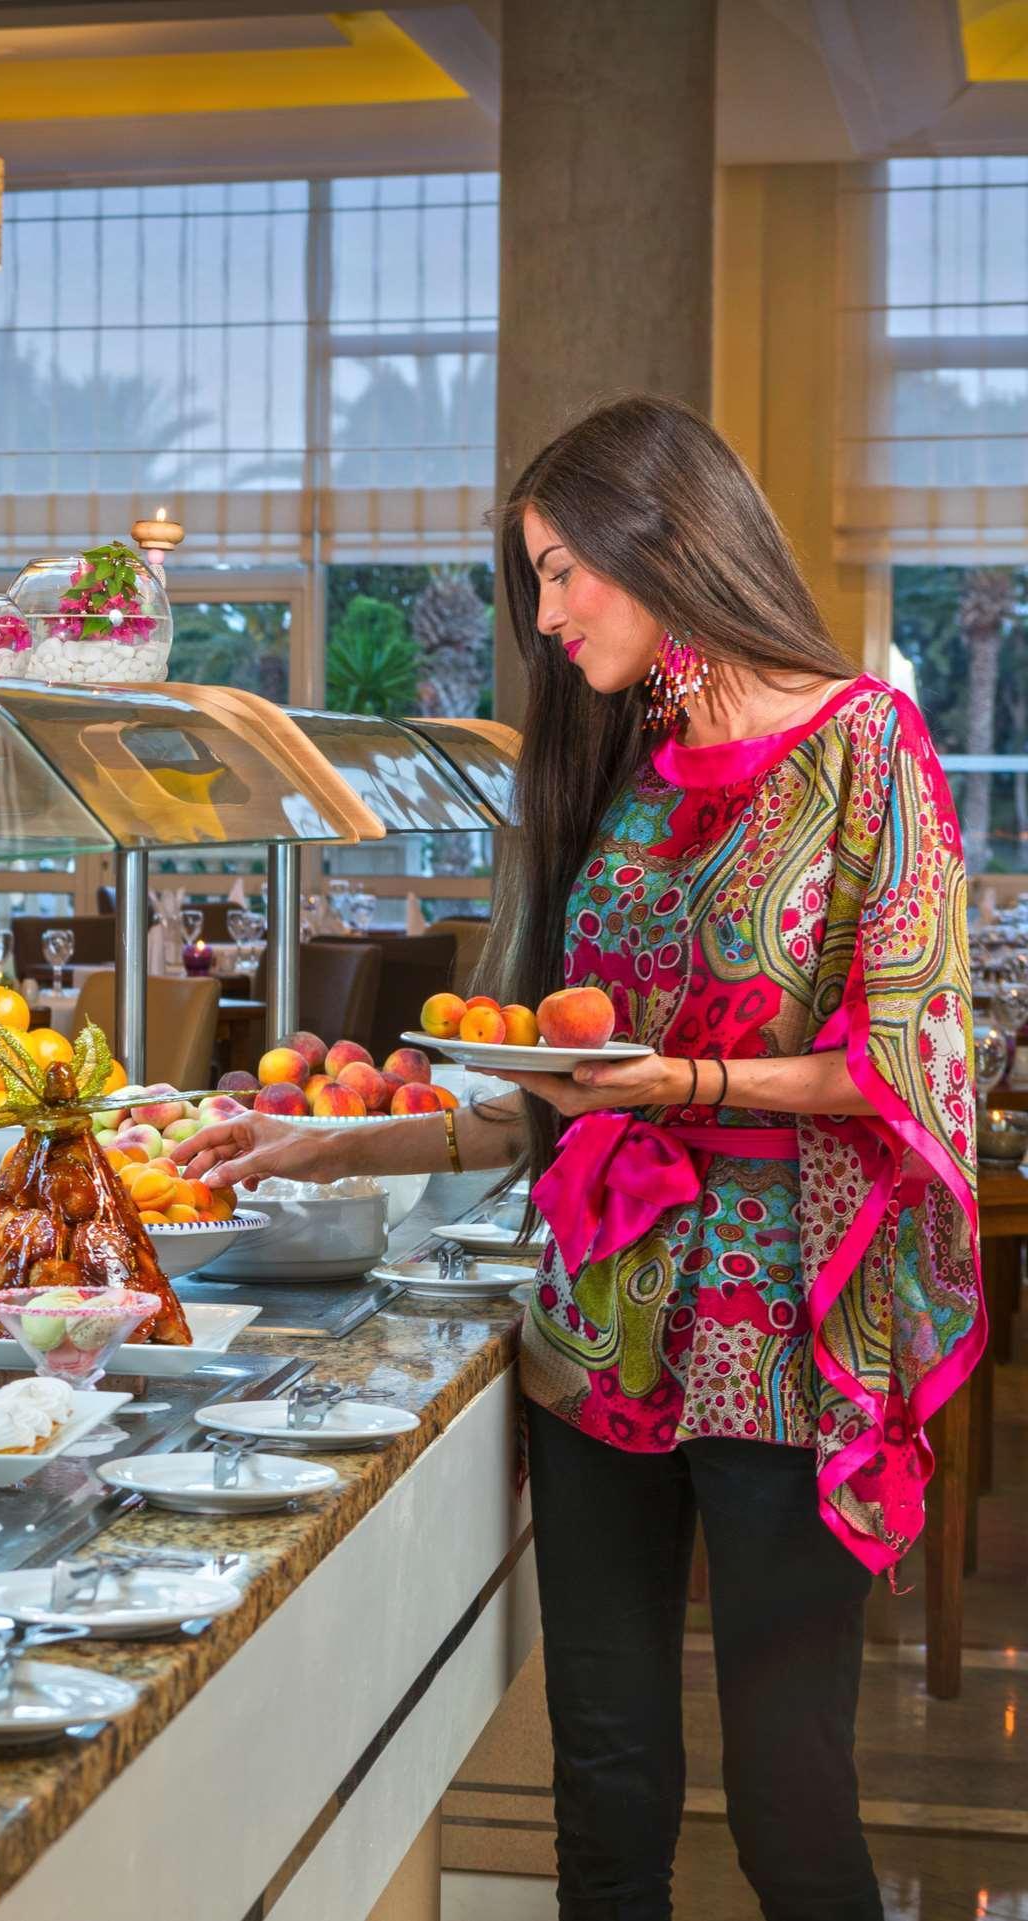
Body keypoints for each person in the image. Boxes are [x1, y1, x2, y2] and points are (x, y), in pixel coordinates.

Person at [177, 394, 979, 1921]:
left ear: (659, 541)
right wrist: (325, 1139)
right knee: (605, 1784)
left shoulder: (866, 745)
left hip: (787, 1333)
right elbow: (548, 1096)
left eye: (560, 574)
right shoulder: (618, 764)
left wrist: (682, 1074)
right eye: (534, 581)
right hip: (599, 1322)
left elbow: (910, 1061)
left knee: (789, 1797)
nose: (545, 620)